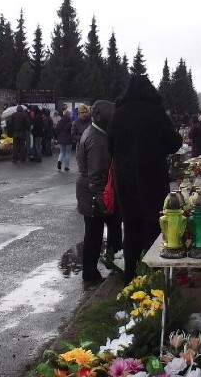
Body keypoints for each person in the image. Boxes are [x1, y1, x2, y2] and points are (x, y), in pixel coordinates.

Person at [107, 75, 183, 284]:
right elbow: (174, 143)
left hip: (126, 180)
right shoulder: (156, 112)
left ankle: (130, 277)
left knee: (131, 228)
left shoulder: (119, 114)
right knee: (154, 225)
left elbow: (110, 148)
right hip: (152, 177)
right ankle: (153, 277)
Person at [76, 100, 122, 283]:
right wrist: (99, 198)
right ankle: (90, 274)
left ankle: (114, 262)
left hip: (99, 192)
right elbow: (95, 173)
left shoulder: (97, 132)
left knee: (113, 228)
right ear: (100, 116)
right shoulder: (96, 138)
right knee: (94, 236)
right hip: (95, 194)